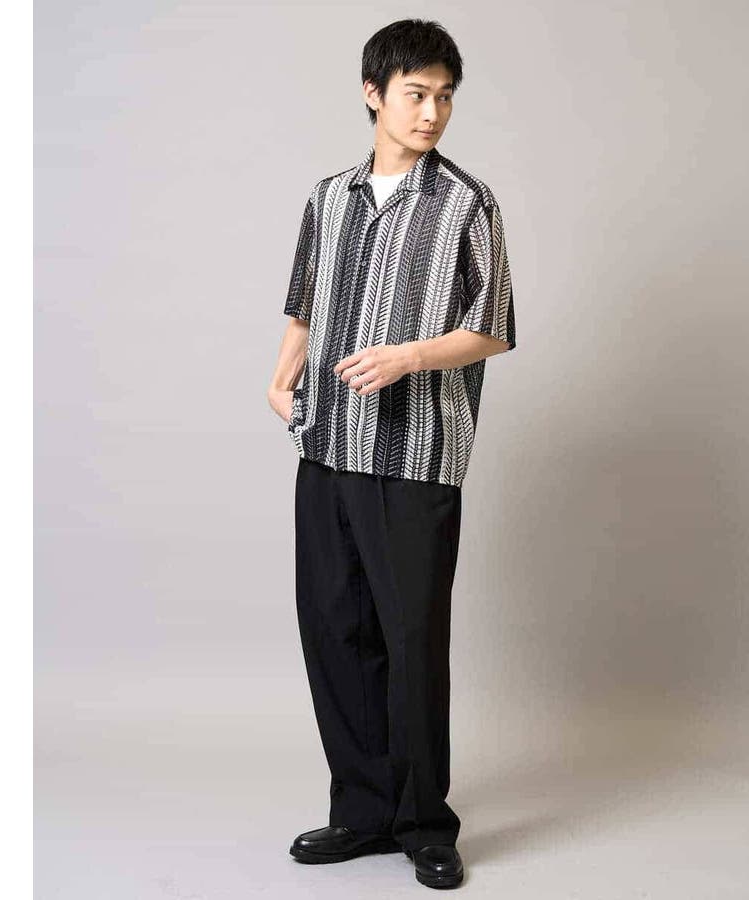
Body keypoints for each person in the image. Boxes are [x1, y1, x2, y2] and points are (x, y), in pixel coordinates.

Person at [267, 18, 516, 890]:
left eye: (445, 96)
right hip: (327, 442)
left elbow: (493, 327)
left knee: (410, 639)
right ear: (374, 94)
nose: (432, 112)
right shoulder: (328, 198)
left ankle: (424, 823)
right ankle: (363, 811)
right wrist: (281, 376)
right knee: (335, 631)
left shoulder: (468, 204)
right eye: (416, 94)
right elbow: (305, 301)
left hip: (415, 454)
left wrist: (409, 355)